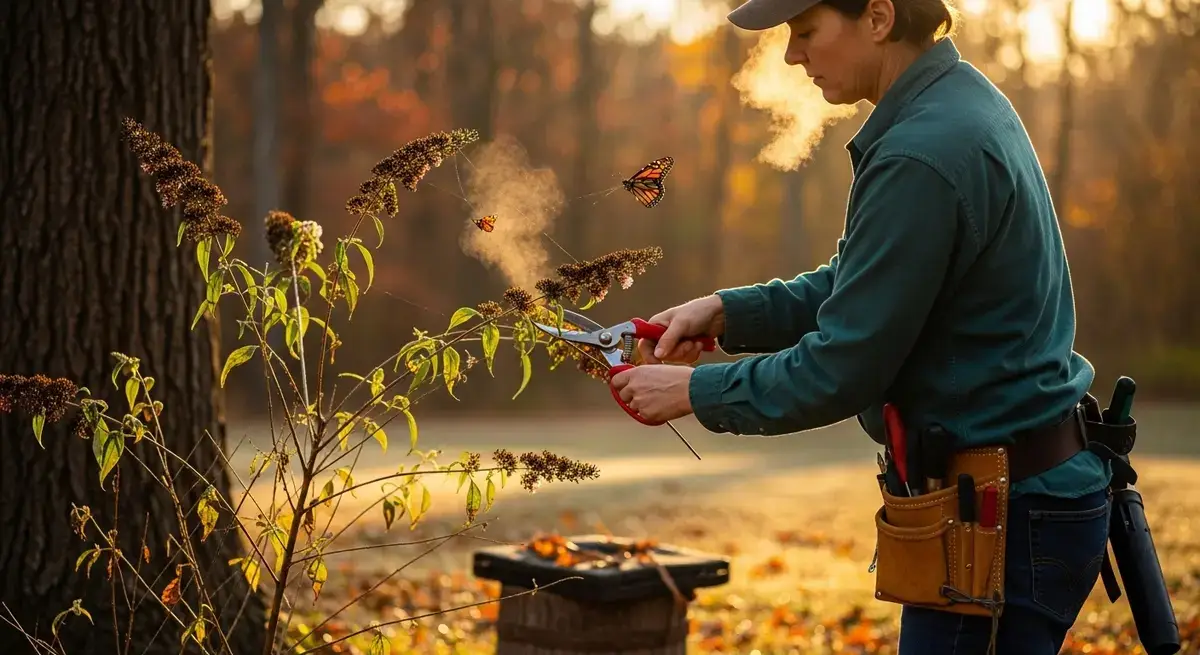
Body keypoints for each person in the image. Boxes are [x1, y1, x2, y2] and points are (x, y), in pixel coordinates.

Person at [609, 0, 1113, 653]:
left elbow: (842, 366)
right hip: (1015, 498)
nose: (793, 55)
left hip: (999, 519)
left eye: (806, 31)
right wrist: (731, 310)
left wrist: (691, 392)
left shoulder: (921, 151)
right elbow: (867, 283)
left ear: (878, 16)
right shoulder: (955, 103)